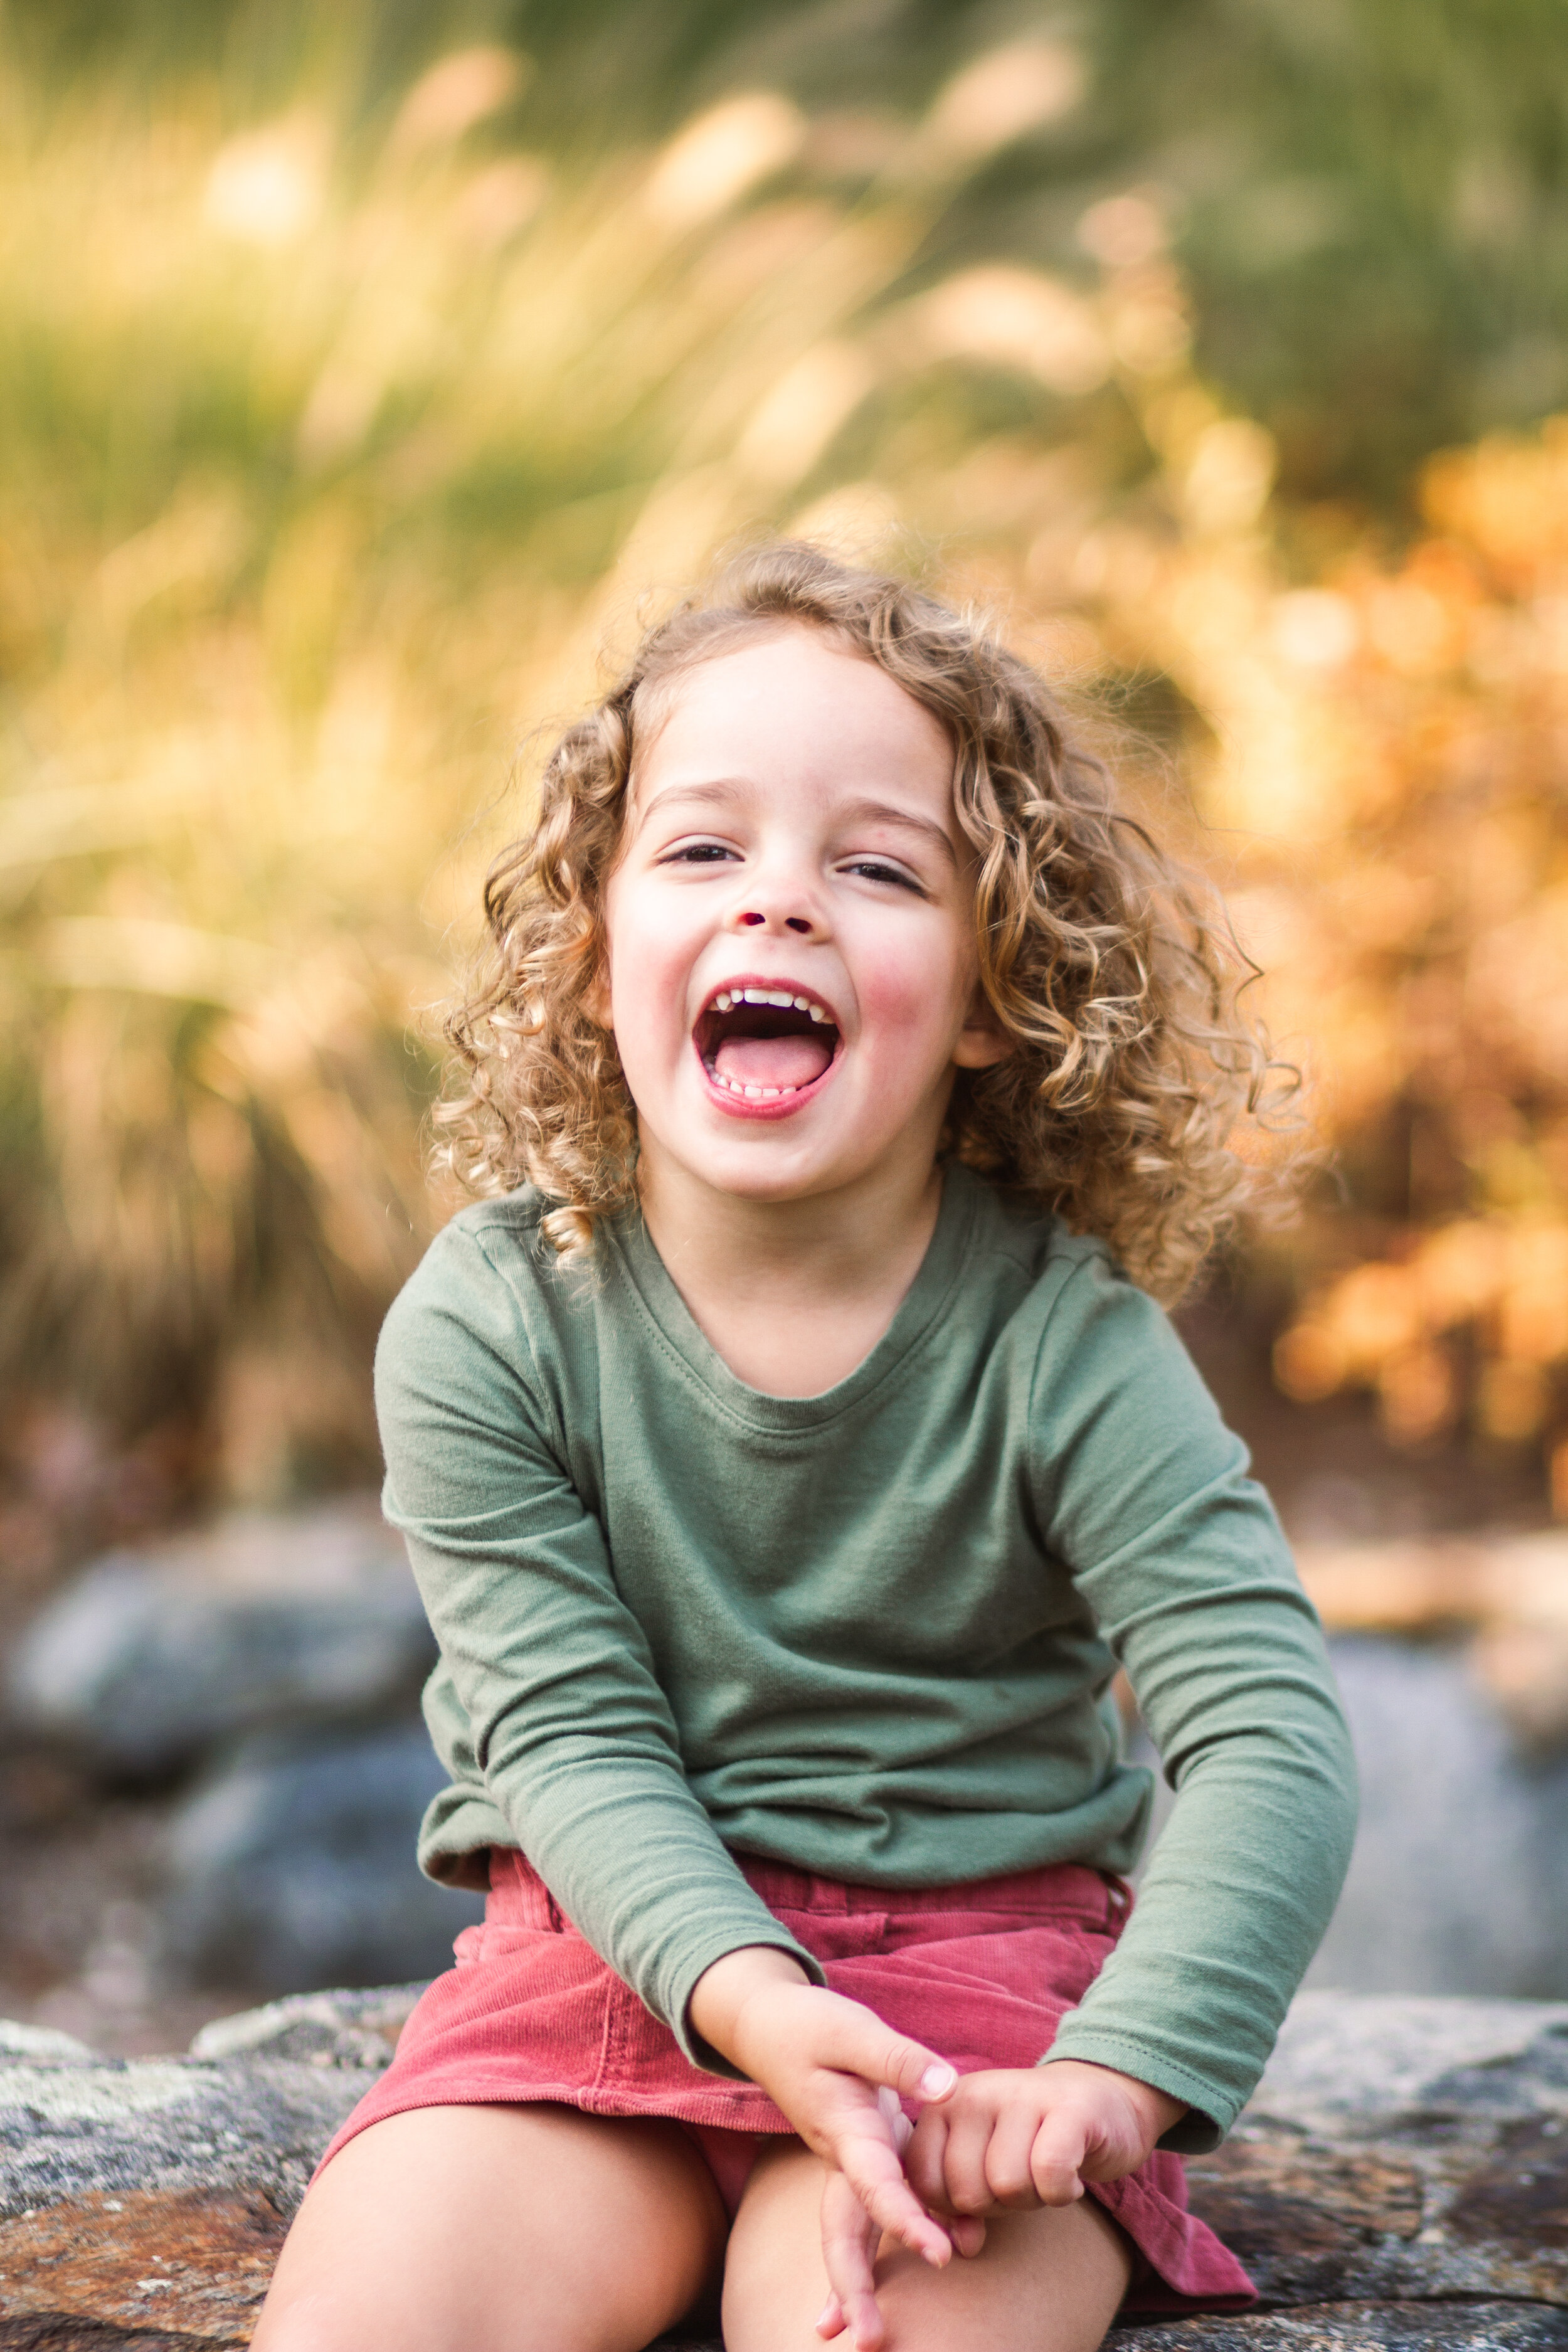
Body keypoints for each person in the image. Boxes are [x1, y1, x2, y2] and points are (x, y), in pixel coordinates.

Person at [252, 543, 1357, 2352]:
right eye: (701, 848)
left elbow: (1265, 1728)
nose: (779, 902)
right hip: (607, 1957)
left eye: (874, 866)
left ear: (998, 992)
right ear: (592, 948)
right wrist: (749, 1996)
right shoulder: (494, 1319)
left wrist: (1116, 2084)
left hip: (977, 2011)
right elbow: (567, 1735)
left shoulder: (1064, 1343)